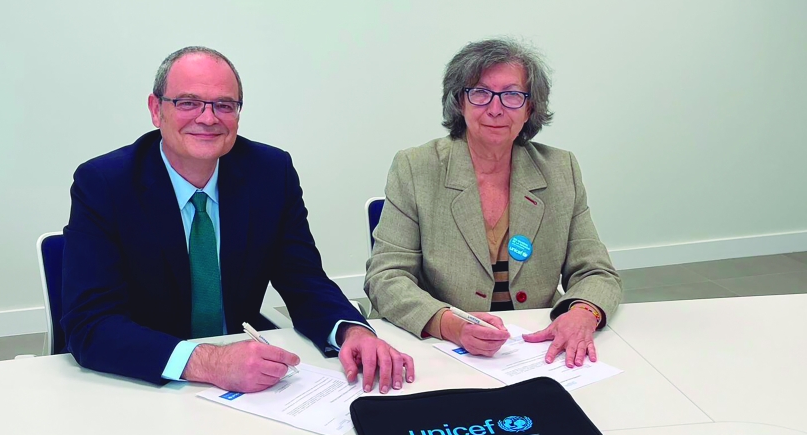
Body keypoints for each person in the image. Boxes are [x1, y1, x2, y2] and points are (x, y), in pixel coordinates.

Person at [62, 46, 414, 393]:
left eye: (224, 105)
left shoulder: (270, 173)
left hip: (243, 389)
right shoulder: (105, 183)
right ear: (157, 110)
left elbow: (303, 279)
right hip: (140, 380)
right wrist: (209, 362)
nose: (208, 118)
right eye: (188, 102)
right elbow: (90, 323)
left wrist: (352, 331)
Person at [365, 38, 622, 368]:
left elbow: (596, 270)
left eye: (513, 95)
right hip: (443, 349)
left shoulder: (560, 169)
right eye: (481, 93)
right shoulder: (416, 167)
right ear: (460, 102)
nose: (496, 108)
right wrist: (449, 324)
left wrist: (583, 312)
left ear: (530, 107)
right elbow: (386, 277)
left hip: (536, 346)